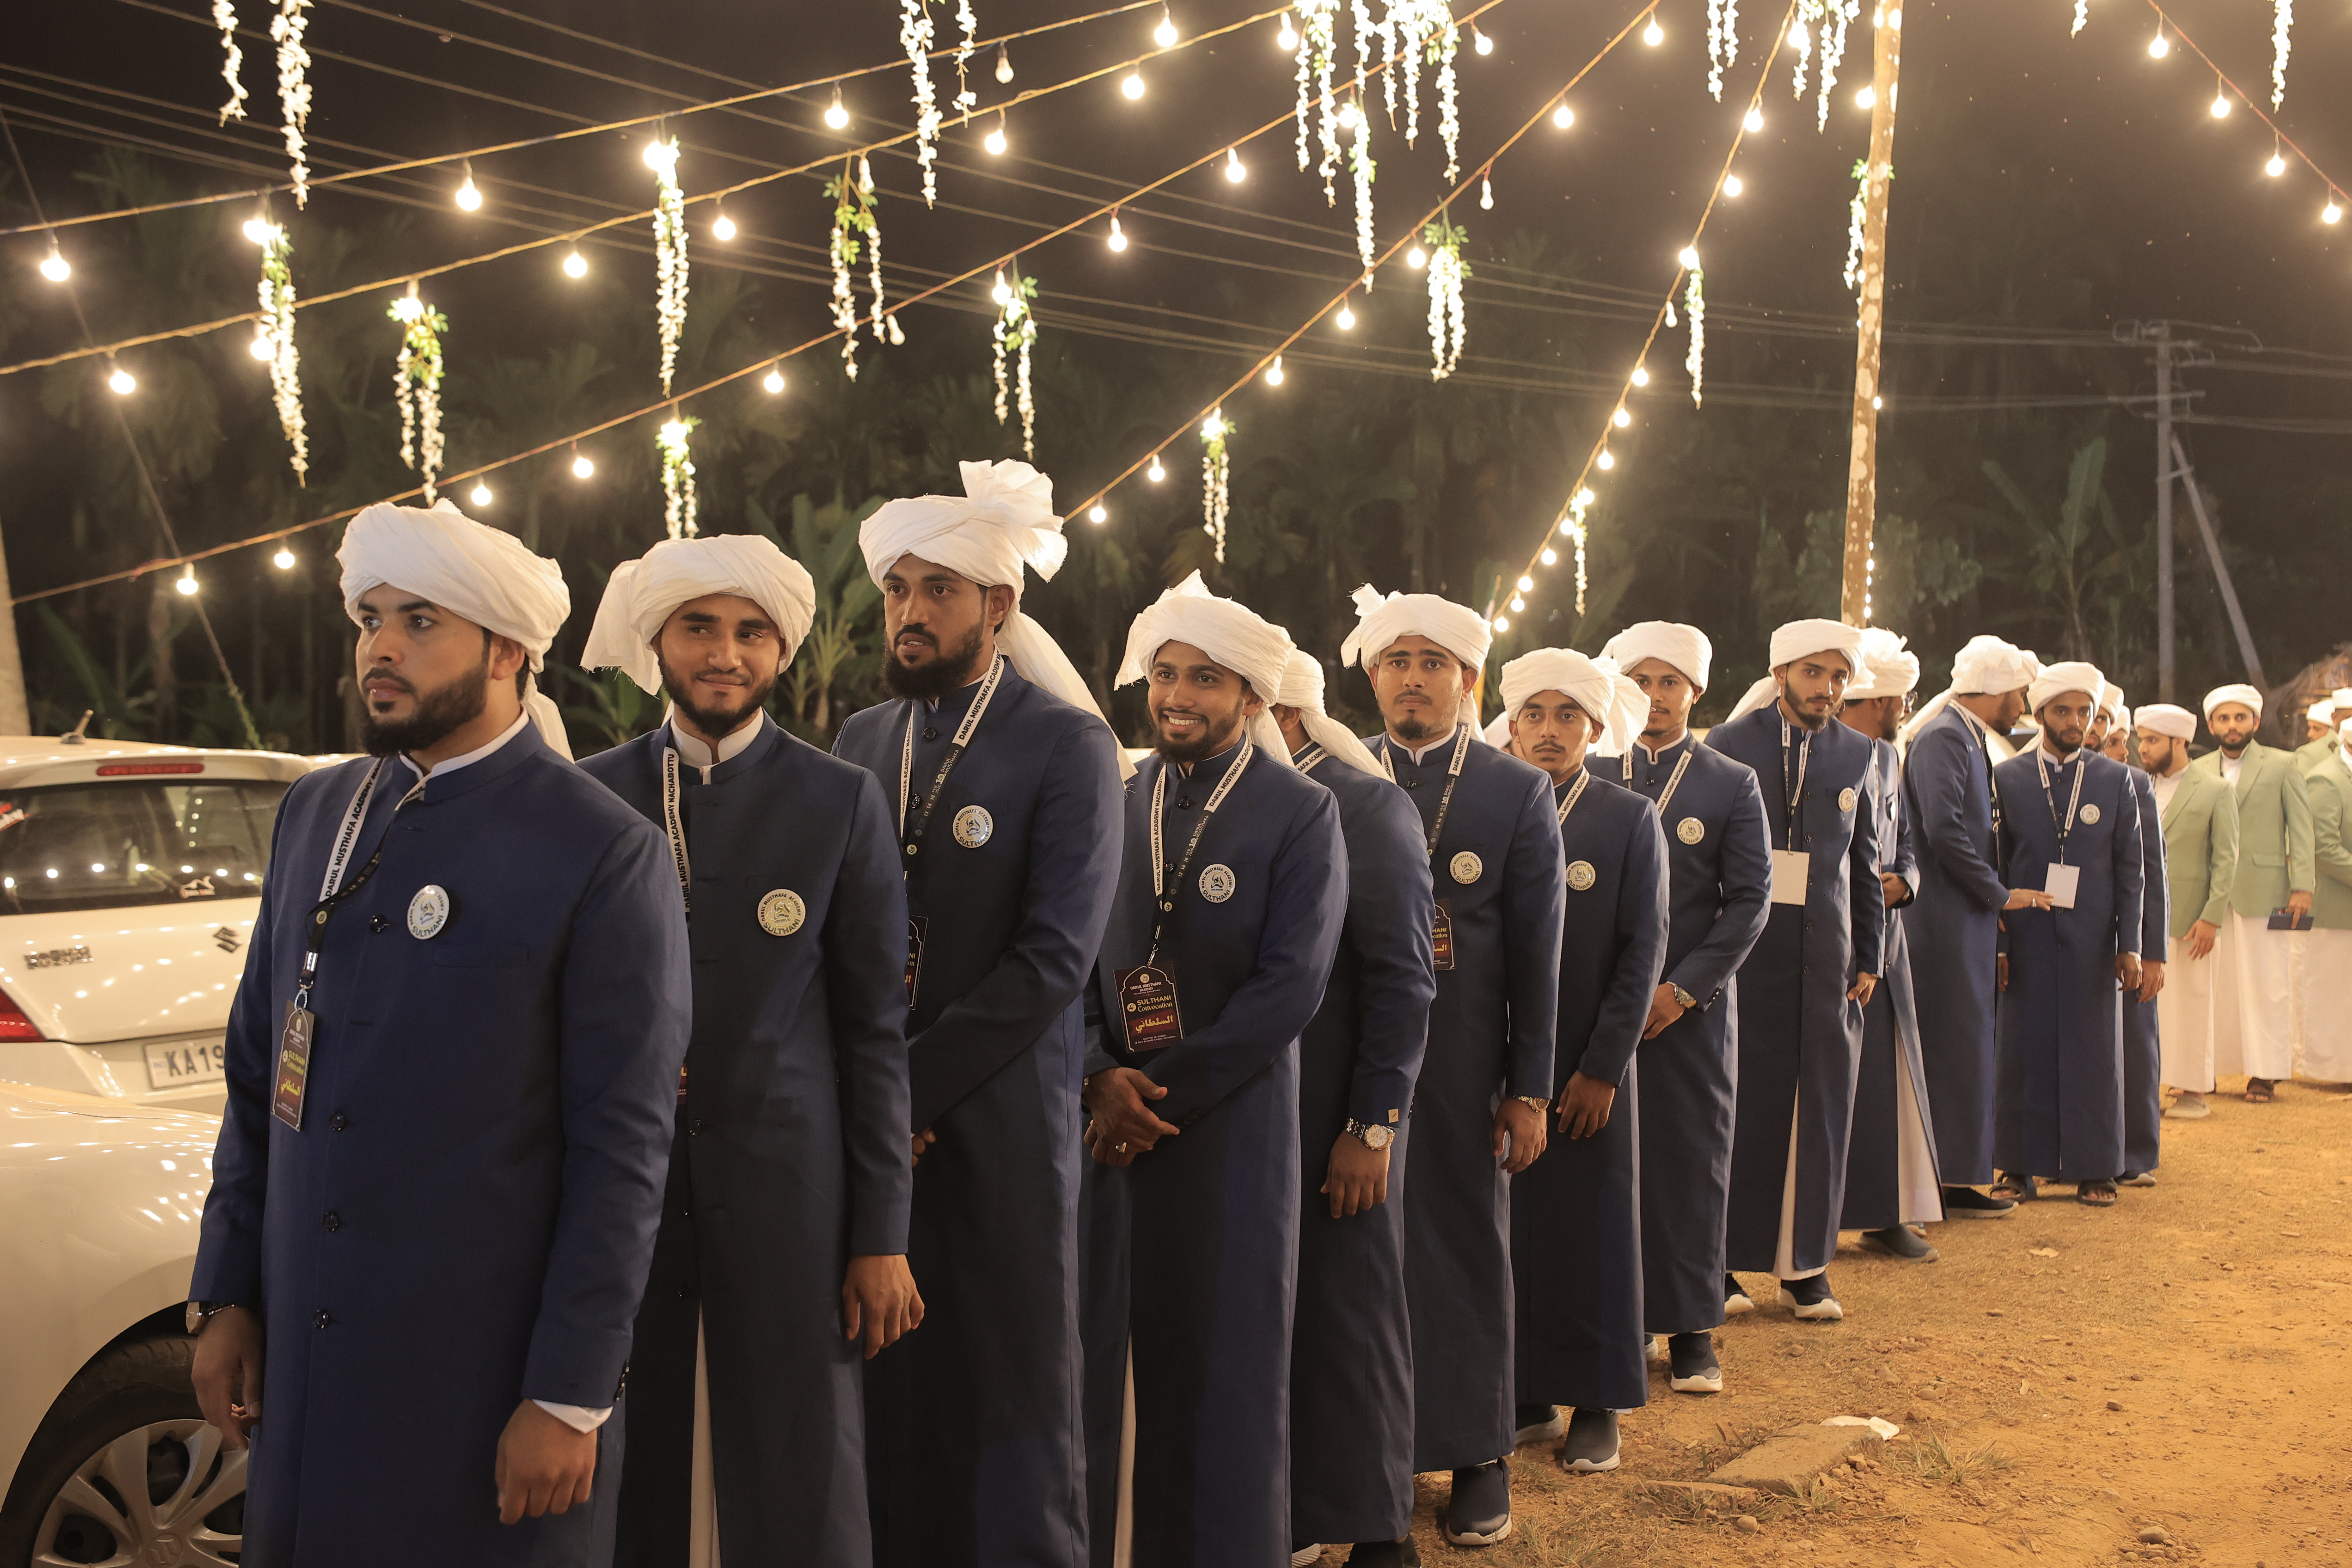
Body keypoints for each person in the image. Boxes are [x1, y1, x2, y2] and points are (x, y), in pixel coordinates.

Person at [188, 499, 693, 1565]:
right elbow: (254, 1074)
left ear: (507, 648)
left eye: (420, 620)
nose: (380, 646)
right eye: (369, 616)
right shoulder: (316, 814)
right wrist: (226, 1290)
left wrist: (568, 1392)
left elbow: (622, 1152)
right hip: (310, 1379)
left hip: (479, 1389)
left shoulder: (601, 850)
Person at [577, 535, 920, 1567]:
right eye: (698, 628)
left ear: (779, 650)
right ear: (658, 642)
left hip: (792, 1190)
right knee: (623, 1437)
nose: (723, 653)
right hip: (620, 1188)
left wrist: (882, 1233)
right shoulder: (591, 794)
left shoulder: (838, 798)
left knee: (796, 1450)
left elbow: (874, 1031)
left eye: (749, 632)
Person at [832, 461, 1127, 1568]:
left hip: (1001, 1122)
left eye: (938, 590)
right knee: (888, 1384)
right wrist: (868, 1097)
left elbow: (1053, 957)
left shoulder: (1066, 746)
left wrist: (902, 1087)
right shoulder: (864, 739)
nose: (911, 612)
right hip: (876, 1125)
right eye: (899, 589)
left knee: (1008, 1387)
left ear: (997, 605)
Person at [1081, 573, 1348, 1567]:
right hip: (1104, 1128)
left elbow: (1290, 988)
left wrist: (1157, 1097)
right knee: (1108, 1349)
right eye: (1163, 674)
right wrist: (1093, 1073)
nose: (1177, 695)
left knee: (1225, 1360)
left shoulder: (1299, 812)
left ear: (1248, 698)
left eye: (1203, 677)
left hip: (1228, 1131)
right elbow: (1063, 956)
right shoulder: (1116, 796)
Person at [1338, 586, 1564, 1548]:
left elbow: (1538, 955)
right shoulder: (1336, 781)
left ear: (1469, 681)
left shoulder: (1516, 791)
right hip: (1360, 1062)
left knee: (1467, 1247)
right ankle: (1372, 1456)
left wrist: (1530, 1087)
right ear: (1373, 676)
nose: (1414, 680)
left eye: (1434, 664)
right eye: (1397, 662)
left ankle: (1478, 1454)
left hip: (1469, 1058)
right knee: (1365, 1263)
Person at [1267, 650, 1435, 1568]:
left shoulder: (1366, 807)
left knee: (1352, 1310)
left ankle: (1380, 1528)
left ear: (1286, 713)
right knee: (1276, 1314)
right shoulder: (1223, 796)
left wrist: (1373, 1127)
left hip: (1345, 1112)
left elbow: (1406, 981)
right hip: (1256, 1112)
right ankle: (1290, 1507)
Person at [1487, 650, 1666, 1476]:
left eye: (1567, 716)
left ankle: (1597, 1400)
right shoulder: (1485, 807)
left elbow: (1642, 955)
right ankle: (1526, 1389)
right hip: (1498, 1067)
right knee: (1513, 1228)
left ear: (1595, 729)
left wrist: (1602, 1068)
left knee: (1592, 1228)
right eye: (1533, 714)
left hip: (1587, 1069)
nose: (1549, 730)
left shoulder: (1627, 819)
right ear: (1511, 724)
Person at [1593, 621, 1771, 1396]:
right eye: (1641, 680)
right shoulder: (1593, 770)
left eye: (1671, 682)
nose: (1655, 696)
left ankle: (1693, 1328)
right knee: (1610, 1165)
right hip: (1599, 1011)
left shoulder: (1729, 782)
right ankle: (1620, 1318)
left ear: (1696, 691)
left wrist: (1681, 989)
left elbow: (1749, 903)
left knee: (1688, 1163)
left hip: (1687, 1015)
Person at [1707, 620, 1884, 1323]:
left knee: (1818, 1112)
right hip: (1742, 958)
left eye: (1839, 677)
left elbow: (1863, 863)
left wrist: (1870, 954)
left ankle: (1805, 1268)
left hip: (1825, 961)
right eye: (1813, 673)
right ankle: (1716, 1261)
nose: (1827, 688)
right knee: (1736, 1107)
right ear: (1781, 672)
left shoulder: (1861, 752)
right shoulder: (1726, 746)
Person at [1898, 634, 2042, 1219]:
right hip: (1943, 923)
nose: (2023, 702)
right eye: (2019, 692)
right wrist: (1999, 894)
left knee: (1965, 1049)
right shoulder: (1944, 738)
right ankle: (1945, 1183)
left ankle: (1956, 1177)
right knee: (1954, 1049)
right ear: (1995, 691)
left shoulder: (1962, 734)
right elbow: (1943, 831)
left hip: (1962, 920)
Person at [1991, 662, 2144, 1208]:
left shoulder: (2113, 778)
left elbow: (2131, 869)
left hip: (2095, 941)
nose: (2077, 721)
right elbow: (1998, 868)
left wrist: (2132, 947)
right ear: (2039, 715)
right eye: (2064, 711)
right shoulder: (2007, 777)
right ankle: (2017, 1167)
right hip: (2027, 940)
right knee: (2022, 1050)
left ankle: (2096, 1166)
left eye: (2085, 712)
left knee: (2094, 1052)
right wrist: (2002, 945)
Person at [1834, 630, 1944, 1261]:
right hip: (1836, 941)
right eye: (1900, 699)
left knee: (1886, 1080)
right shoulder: (1827, 756)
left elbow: (1904, 843)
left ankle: (1883, 1211)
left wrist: (1908, 880)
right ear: (1877, 702)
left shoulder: (1888, 760)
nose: (1906, 709)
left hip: (1887, 941)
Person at [2191, 683, 2315, 1104]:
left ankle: (2265, 1073)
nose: (2232, 726)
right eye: (2223, 719)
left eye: (2240, 718)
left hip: (2266, 891)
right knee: (2214, 986)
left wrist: (2303, 887)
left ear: (2256, 722)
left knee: (2267, 984)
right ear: (2211, 725)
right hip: (2210, 896)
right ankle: (2206, 1068)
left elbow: (2301, 831)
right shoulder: (2200, 769)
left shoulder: (2284, 765)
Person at [2138, 703, 2239, 1120]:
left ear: (2179, 742)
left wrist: (2212, 916)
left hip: (2192, 919)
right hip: (2144, 916)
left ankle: (2194, 1091)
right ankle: (2151, 1086)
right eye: (2141, 739)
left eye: (2152, 741)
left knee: (2193, 1004)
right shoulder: (2137, 784)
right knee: (2152, 1008)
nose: (2142, 748)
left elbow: (2227, 858)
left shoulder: (2216, 789)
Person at [2089, 691, 2168, 1189]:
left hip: (2127, 941)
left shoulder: (2134, 784)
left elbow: (2153, 874)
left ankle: (2134, 1152)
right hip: (2073, 939)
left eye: (2104, 722)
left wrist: (2153, 951)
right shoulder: (2038, 779)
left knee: (2133, 1044)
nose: (2096, 731)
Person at [2299, 716, 2352, 1083]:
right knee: (2332, 991)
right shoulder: (2327, 779)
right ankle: (2330, 1069)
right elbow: (2323, 848)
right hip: (2336, 908)